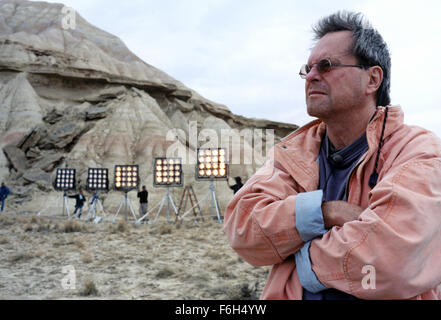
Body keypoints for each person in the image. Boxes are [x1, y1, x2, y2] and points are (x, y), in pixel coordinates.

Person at [224, 11, 441, 300]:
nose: (311, 76)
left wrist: (299, 258)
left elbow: (391, 259)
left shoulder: (417, 150)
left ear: (372, 79)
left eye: (326, 66)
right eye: (308, 68)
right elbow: (243, 228)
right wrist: (326, 212)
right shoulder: (293, 155)